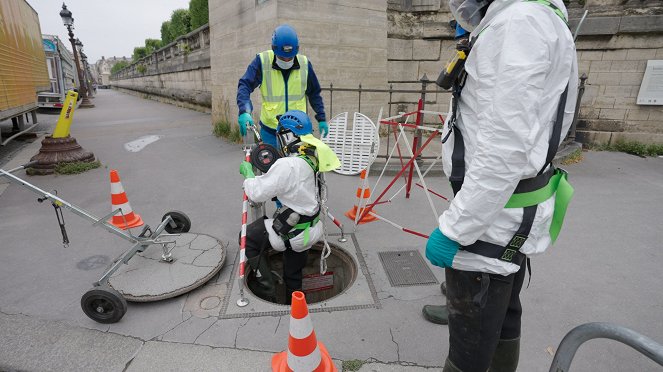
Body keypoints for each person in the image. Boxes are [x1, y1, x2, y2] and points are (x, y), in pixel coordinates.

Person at [423, 0, 578, 371]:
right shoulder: (538, 18)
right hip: (507, 209)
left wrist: (456, 227)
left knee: (470, 342)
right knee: (503, 312)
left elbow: (504, 148)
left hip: (491, 218)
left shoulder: (517, 23)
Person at [239, 110, 339, 304]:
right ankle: (295, 304)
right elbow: (296, 186)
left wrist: (249, 174)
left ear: (286, 136)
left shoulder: (287, 166)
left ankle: (266, 288)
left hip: (292, 233)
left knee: (250, 237)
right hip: (310, 229)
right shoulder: (313, 156)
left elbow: (256, 193)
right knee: (293, 274)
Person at [236, 24, 328, 147]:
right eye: (282, 57)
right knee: (270, 166)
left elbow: (314, 93)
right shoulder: (262, 61)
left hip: (297, 131)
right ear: (274, 49)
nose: (286, 60)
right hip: (270, 132)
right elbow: (245, 85)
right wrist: (245, 111)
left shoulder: (305, 64)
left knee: (296, 166)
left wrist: (321, 118)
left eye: (290, 57)